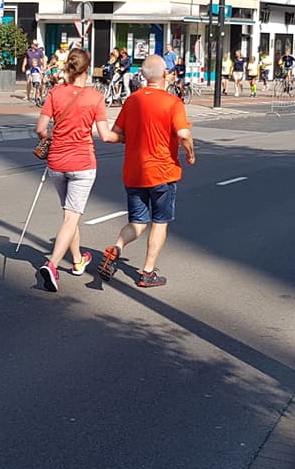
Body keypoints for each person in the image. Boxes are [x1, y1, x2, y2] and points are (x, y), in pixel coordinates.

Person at [98, 55, 196, 289]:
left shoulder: (132, 101)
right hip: (163, 171)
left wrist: (133, 138)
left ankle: (117, 247)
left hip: (134, 171)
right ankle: (147, 272)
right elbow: (183, 134)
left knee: (138, 222)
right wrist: (190, 153)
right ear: (165, 75)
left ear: (142, 75)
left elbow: (117, 132)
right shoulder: (173, 103)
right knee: (160, 222)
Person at [33, 48, 118, 292]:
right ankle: (52, 264)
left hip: (57, 163)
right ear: (88, 69)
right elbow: (104, 135)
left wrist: (53, 136)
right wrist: (123, 137)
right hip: (82, 163)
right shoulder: (95, 97)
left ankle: (78, 260)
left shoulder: (55, 93)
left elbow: (40, 129)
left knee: (70, 214)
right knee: (72, 215)